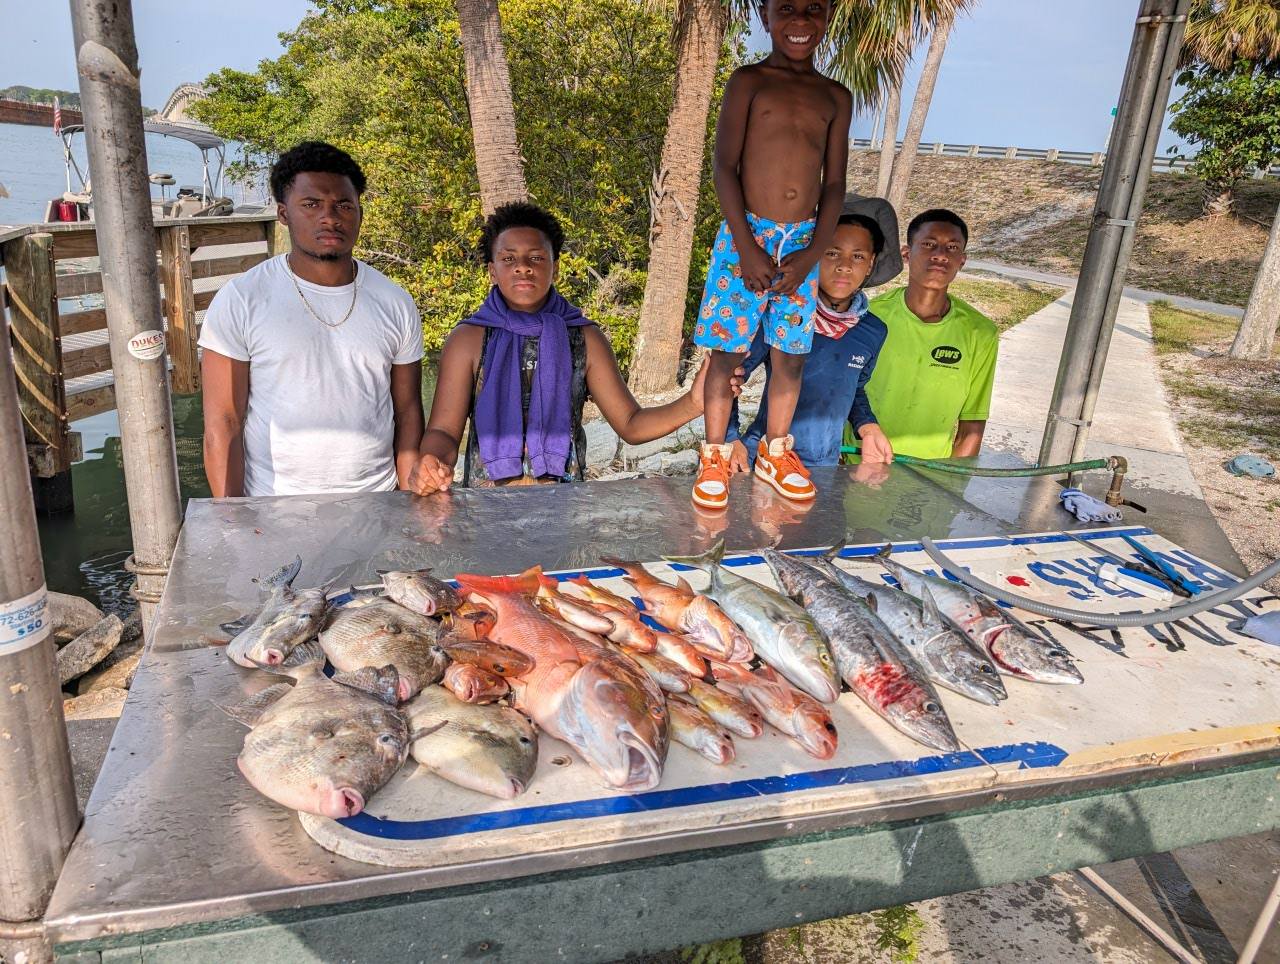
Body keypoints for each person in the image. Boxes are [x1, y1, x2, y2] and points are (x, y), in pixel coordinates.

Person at [407, 202, 735, 491]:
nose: (523, 266)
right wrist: (432, 461)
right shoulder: (469, 339)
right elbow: (443, 431)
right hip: (485, 510)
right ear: (493, 271)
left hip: (563, 507)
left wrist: (694, 402)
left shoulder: (584, 338)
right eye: (508, 258)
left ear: (556, 268)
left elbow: (631, 424)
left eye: (536, 257)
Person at [690, 0, 852, 511]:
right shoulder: (748, 81)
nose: (799, 21)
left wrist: (812, 254)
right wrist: (746, 246)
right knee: (727, 353)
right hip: (746, 237)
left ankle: (775, 453)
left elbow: (835, 183)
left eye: (813, 10)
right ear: (765, 16)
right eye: (786, 9)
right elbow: (723, 166)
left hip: (803, 243)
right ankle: (714, 454)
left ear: (828, 16)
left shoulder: (836, 96)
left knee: (791, 355)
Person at [200, 141, 424, 497]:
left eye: (344, 205)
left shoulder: (395, 302)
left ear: (360, 213)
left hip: (377, 501)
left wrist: (409, 499)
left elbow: (408, 412)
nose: (330, 217)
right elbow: (223, 423)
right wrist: (233, 516)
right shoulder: (242, 299)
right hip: (273, 503)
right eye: (311, 204)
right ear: (283, 213)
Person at [725, 195, 902, 474]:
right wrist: (730, 438)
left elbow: (854, 387)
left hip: (824, 468)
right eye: (832, 253)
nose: (844, 265)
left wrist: (868, 427)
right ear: (813, 257)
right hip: (764, 463)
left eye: (858, 256)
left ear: (871, 264)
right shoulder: (785, 316)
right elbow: (729, 375)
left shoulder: (872, 330)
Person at [865, 208, 998, 460]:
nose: (940, 255)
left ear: (962, 260)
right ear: (906, 253)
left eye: (952, 247)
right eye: (928, 244)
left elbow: (972, 426)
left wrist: (948, 480)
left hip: (929, 476)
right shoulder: (869, 317)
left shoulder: (980, 333)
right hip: (858, 465)